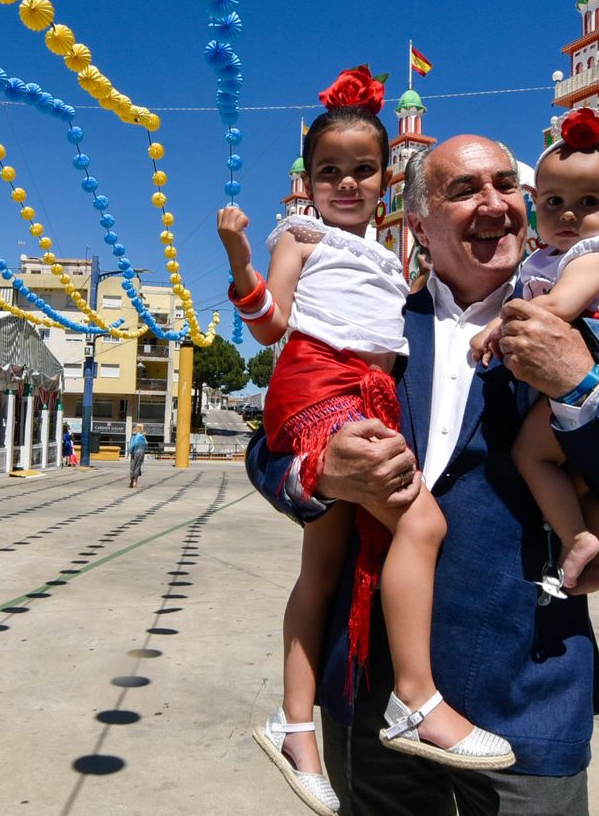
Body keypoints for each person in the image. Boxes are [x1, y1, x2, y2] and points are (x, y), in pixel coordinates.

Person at [247, 131, 599, 815]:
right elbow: (269, 447)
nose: (495, 204)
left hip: (526, 702)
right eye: (464, 190)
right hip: (369, 705)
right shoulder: (371, 326)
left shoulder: (591, 327)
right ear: (419, 227)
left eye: (506, 186)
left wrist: (579, 384)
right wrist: (322, 476)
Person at [221, 69, 513, 816]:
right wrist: (238, 258)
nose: (345, 185)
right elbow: (271, 327)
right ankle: (412, 699)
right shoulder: (304, 236)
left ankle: (294, 725)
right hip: (324, 389)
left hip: (366, 395)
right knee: (421, 520)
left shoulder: (395, 270)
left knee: (320, 569)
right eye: (328, 172)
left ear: (388, 184)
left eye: (361, 172)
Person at [472, 107, 599, 595]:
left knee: (534, 455)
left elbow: (558, 308)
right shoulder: (546, 257)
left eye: (588, 201)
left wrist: (499, 327)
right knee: (589, 479)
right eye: (553, 201)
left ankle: (577, 537)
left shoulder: (596, 255)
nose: (568, 213)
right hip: (584, 381)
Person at [127, 423, 148, 489]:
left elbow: (131, 444)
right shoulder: (141, 436)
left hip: (133, 452)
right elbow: (146, 444)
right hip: (140, 452)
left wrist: (129, 451)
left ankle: (131, 481)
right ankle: (135, 482)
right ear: (141, 428)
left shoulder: (133, 435)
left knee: (132, 466)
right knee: (137, 467)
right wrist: (143, 436)